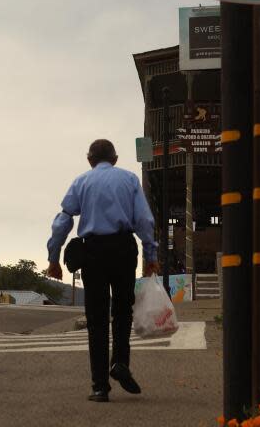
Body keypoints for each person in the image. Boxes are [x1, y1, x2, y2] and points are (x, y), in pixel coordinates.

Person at [46, 139, 160, 402]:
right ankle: (119, 361)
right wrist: (150, 253)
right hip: (123, 248)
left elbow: (63, 220)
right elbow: (143, 219)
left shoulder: (81, 182)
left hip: (93, 252)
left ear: (89, 160)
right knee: (122, 310)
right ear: (116, 159)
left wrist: (53, 257)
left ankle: (100, 387)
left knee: (97, 319)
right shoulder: (129, 180)